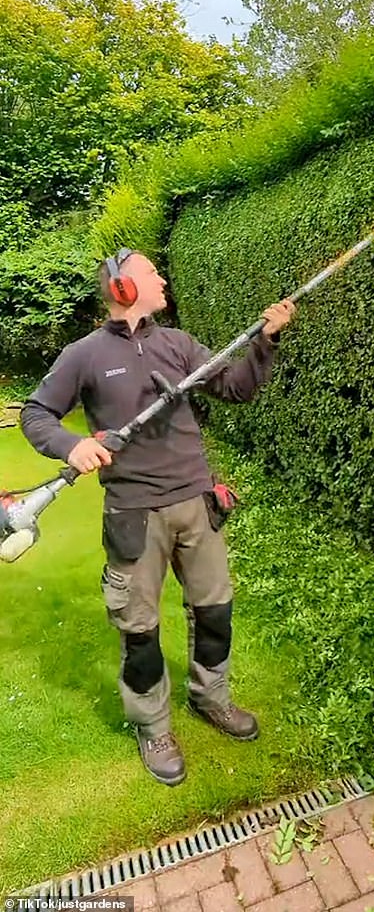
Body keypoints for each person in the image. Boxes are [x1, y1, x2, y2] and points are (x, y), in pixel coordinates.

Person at [20, 247, 296, 787]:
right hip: (134, 514)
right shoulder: (85, 355)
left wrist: (266, 340)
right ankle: (153, 727)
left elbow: (236, 387)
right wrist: (72, 446)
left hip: (196, 502)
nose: (163, 278)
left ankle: (210, 699)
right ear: (123, 287)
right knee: (140, 630)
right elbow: (36, 413)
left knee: (214, 610)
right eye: (152, 273)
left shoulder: (178, 344)